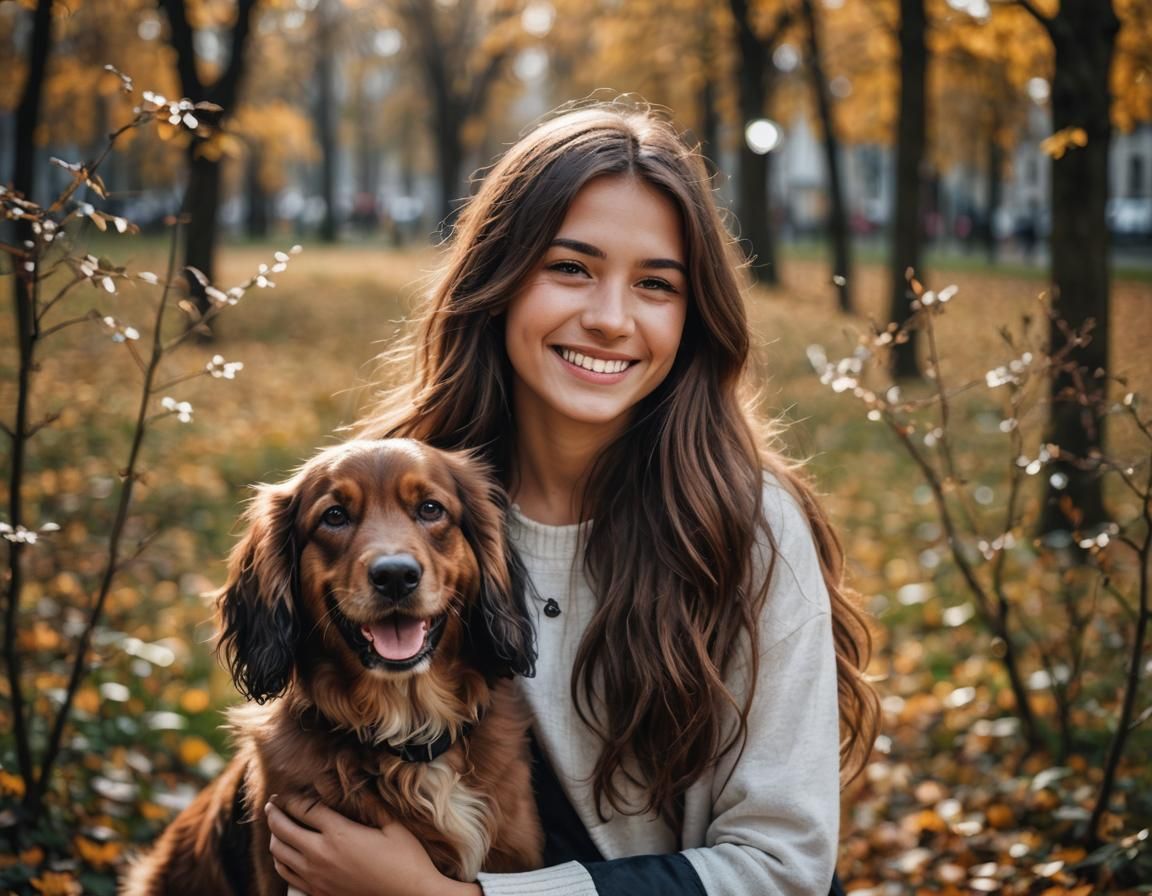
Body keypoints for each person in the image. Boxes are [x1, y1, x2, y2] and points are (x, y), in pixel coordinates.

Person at [264, 102, 880, 896]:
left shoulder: (746, 525)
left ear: (693, 318)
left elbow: (784, 867)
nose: (609, 319)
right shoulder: (406, 497)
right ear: (500, 276)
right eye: (570, 268)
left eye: (656, 284)